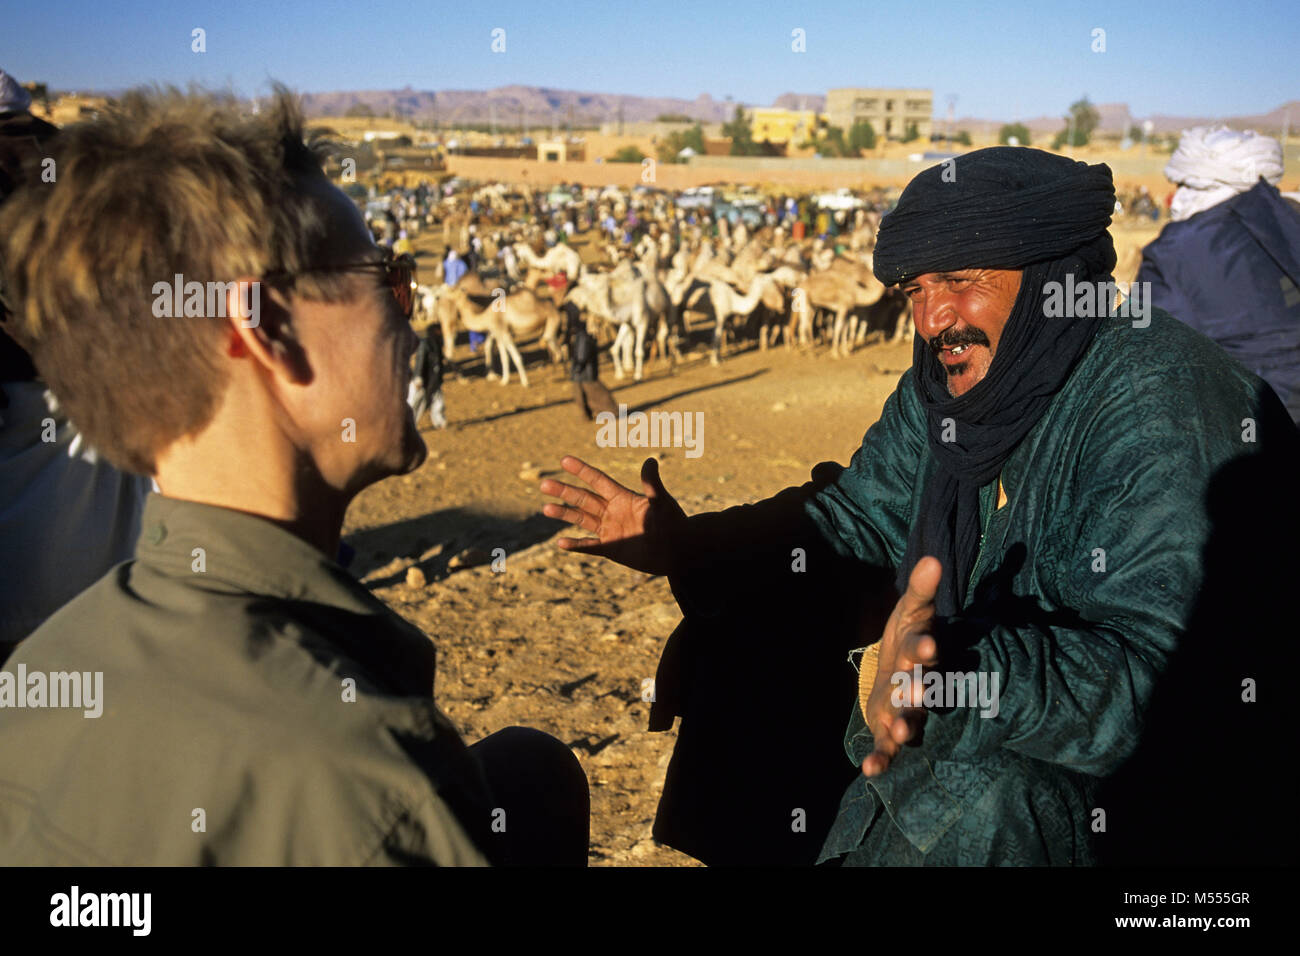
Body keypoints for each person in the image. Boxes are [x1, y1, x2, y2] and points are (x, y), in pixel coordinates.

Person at [541, 146, 1298, 866]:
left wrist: (959, 671)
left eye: (960, 281)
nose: (933, 319)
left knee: (993, 795)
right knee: (743, 641)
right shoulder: (951, 386)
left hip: (1168, 791)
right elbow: (855, 521)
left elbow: (1172, 683)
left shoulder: (1164, 405)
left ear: (1050, 278)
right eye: (914, 290)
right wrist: (687, 547)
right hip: (974, 698)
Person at [0, 87, 587, 865]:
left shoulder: (43, 669)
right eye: (389, 280)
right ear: (269, 328)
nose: (411, 318)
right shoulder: (359, 778)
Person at [0, 68, 152, 658]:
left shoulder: (61, 207)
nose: (22, 149)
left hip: (82, 424)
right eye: (9, 135)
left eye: (26, 134)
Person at [1137, 126, 1300, 423]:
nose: (1180, 199)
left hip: (1245, 417)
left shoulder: (1177, 248)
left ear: (1214, 185)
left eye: (1190, 186)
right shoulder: (1290, 220)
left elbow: (1145, 351)